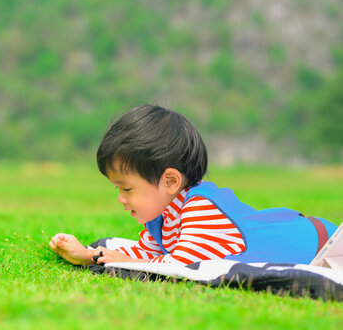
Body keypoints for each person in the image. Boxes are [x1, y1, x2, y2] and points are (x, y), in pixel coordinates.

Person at [49, 105, 338, 267]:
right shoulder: (161, 219)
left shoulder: (200, 208)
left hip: (324, 244)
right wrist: (88, 255)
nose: (121, 200)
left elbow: (178, 267)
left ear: (171, 181)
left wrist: (117, 260)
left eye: (127, 189)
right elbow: (145, 254)